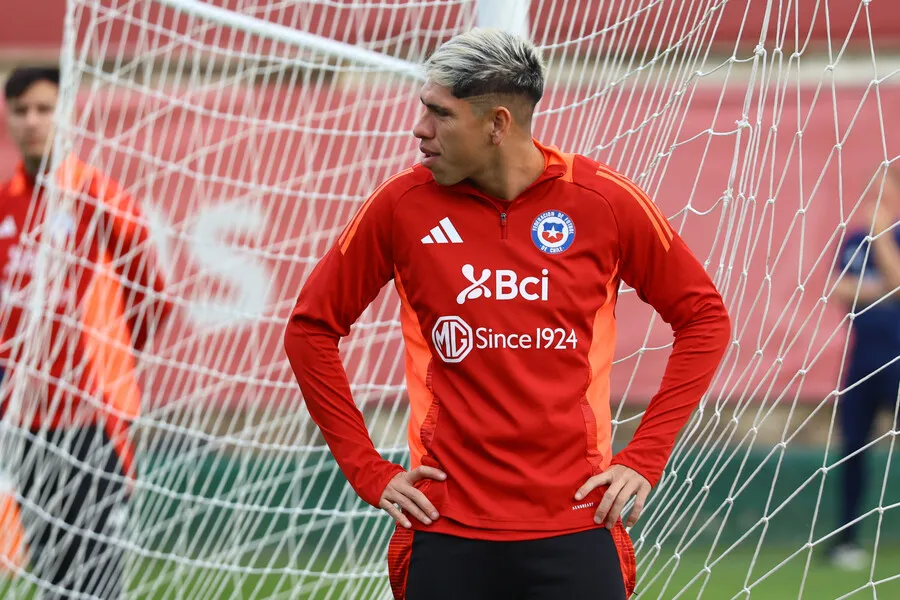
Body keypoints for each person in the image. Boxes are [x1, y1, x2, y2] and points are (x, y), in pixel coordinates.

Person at [284, 29, 731, 600]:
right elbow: (310, 329)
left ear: (498, 124)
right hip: (445, 528)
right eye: (424, 108)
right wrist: (367, 469)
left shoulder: (603, 202)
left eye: (440, 114)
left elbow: (704, 318)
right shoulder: (401, 205)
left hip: (577, 523)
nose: (419, 130)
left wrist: (644, 458)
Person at [0, 66, 172, 598]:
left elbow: (151, 295)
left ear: (67, 114)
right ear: (8, 118)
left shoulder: (98, 196)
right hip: (26, 420)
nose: (33, 121)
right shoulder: (5, 202)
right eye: (22, 110)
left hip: (95, 418)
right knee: (52, 575)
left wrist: (115, 363)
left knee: (97, 577)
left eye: (45, 109)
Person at [828, 165, 900, 570]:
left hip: (898, 358)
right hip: (861, 362)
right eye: (869, 191)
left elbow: (899, 283)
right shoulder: (853, 241)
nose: (873, 199)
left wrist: (883, 237)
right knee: (852, 449)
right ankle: (845, 542)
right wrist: (880, 290)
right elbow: (837, 288)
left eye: (882, 192)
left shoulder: (893, 236)